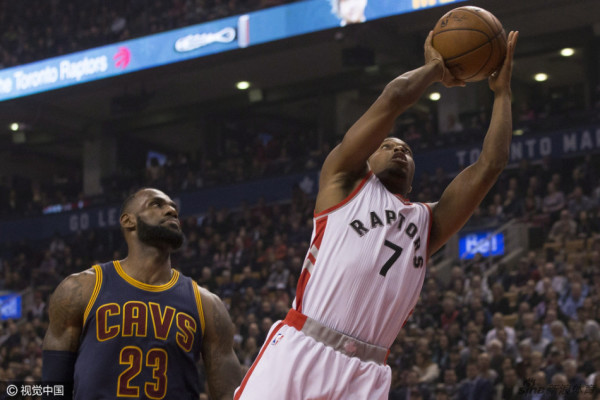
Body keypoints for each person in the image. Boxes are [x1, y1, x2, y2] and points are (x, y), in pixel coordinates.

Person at [235, 30, 519, 399]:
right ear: (367, 158)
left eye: (407, 151)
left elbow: (491, 164)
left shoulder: (428, 223)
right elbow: (393, 98)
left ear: (414, 179)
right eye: (387, 145)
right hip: (304, 346)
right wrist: (435, 69)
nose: (399, 151)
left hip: (367, 373)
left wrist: (502, 94)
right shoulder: (344, 180)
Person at [42, 188, 242, 399]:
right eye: (157, 204)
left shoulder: (207, 305)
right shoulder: (81, 288)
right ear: (128, 221)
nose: (171, 211)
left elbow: (229, 394)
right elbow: (54, 387)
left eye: (173, 208)